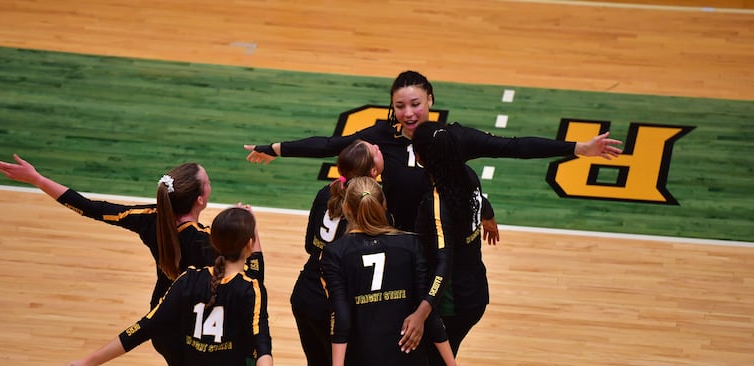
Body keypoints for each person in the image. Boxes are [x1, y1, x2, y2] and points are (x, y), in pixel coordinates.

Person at [244, 70, 621, 237]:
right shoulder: (380, 136)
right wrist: (274, 149)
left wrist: (577, 148)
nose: (408, 113)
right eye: (400, 105)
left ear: (430, 102)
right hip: (390, 238)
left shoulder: (451, 139)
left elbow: (514, 146)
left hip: (438, 242)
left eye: (416, 104)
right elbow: (329, 145)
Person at [0, 154, 215, 366]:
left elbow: (90, 208)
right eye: (208, 183)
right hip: (189, 326)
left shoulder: (150, 218)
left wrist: (38, 179)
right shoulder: (202, 239)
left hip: (161, 322)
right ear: (199, 199)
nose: (210, 186)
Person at [56, 206, 281, 366]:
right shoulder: (250, 289)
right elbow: (261, 343)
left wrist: (89, 362)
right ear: (248, 244)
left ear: (213, 241)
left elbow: (143, 328)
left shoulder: (187, 280)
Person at [320, 176, 466, 366]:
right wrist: (451, 365)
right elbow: (427, 312)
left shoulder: (336, 253)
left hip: (363, 360)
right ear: (383, 204)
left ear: (347, 209)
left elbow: (341, 318)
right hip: (408, 356)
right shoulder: (410, 244)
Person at [408, 121, 497, 366]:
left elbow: (443, 264)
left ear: (421, 157)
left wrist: (422, 312)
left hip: (452, 302)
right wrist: (488, 214)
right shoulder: (467, 176)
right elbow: (481, 199)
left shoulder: (437, 201)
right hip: (475, 293)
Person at [292, 139, 384, 366]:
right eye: (375, 150)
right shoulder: (370, 201)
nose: (379, 147)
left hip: (306, 292)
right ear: (372, 170)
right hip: (337, 301)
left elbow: (309, 244)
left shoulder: (325, 192)